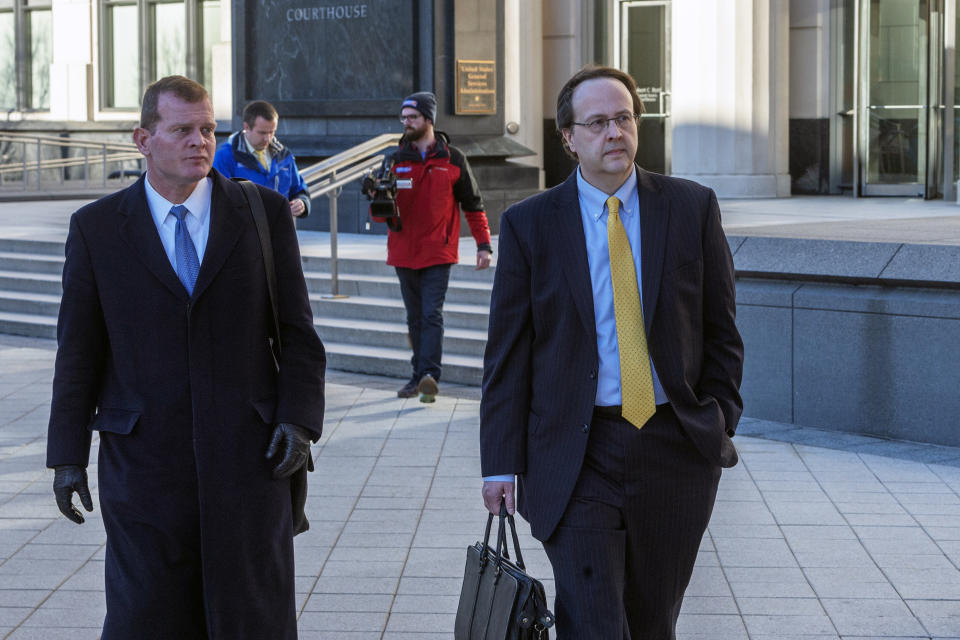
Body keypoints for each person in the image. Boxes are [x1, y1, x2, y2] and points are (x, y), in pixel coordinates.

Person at [46, 76, 326, 640]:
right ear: (142, 139)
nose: (199, 141)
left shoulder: (263, 215)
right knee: (146, 617)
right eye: (181, 130)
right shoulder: (97, 228)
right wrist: (67, 454)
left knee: (251, 618)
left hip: (250, 464)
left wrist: (299, 420)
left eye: (207, 129)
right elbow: (78, 352)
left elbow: (298, 334)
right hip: (144, 470)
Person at [479, 65, 744, 639]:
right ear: (569, 138)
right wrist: (499, 462)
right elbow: (508, 355)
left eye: (623, 118)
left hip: (674, 447)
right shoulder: (529, 226)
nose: (614, 133)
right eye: (597, 122)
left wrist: (720, 416)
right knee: (594, 620)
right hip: (576, 453)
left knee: (652, 622)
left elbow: (720, 330)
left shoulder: (690, 207)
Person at [373, 91, 492, 403]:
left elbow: (473, 205)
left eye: (412, 117)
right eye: (403, 118)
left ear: (428, 119)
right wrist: (376, 196)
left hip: (438, 251)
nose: (406, 122)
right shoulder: (394, 159)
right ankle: (417, 375)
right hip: (403, 251)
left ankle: (428, 375)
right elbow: (379, 215)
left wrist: (484, 245)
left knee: (431, 314)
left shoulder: (453, 159)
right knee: (414, 316)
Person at [213, 100, 311, 217]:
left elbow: (299, 189)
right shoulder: (224, 157)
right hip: (244, 232)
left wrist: (302, 203)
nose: (267, 138)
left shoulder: (283, 155)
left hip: (280, 230)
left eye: (272, 132)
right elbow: (219, 201)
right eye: (262, 133)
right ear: (246, 127)